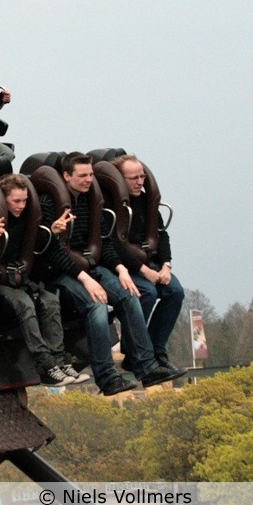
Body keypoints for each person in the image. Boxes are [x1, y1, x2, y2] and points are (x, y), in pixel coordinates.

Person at [38, 153, 181, 395]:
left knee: (129, 293)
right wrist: (87, 279)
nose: (88, 180)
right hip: (62, 272)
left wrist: (121, 269)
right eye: (82, 175)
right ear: (66, 176)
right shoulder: (50, 203)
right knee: (96, 304)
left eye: (91, 175)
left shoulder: (90, 200)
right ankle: (106, 377)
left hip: (90, 266)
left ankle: (146, 367)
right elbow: (53, 253)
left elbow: (103, 242)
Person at [0, 173, 89, 386]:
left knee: (50, 301)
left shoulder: (25, 218)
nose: (21, 206)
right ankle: (44, 364)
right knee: (25, 304)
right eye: (16, 201)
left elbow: (35, 245)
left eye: (25, 201)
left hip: (21, 278)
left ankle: (59, 359)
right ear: (2, 199)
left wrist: (51, 231)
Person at [113, 154, 186, 377]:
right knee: (147, 292)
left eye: (142, 177)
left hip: (152, 263)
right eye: (133, 178)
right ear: (120, 180)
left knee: (175, 291)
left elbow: (162, 235)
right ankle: (134, 352)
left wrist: (166, 266)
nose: (139, 182)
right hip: (128, 266)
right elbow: (115, 244)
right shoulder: (113, 205)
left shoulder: (148, 202)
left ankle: (157, 351)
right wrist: (144, 271)